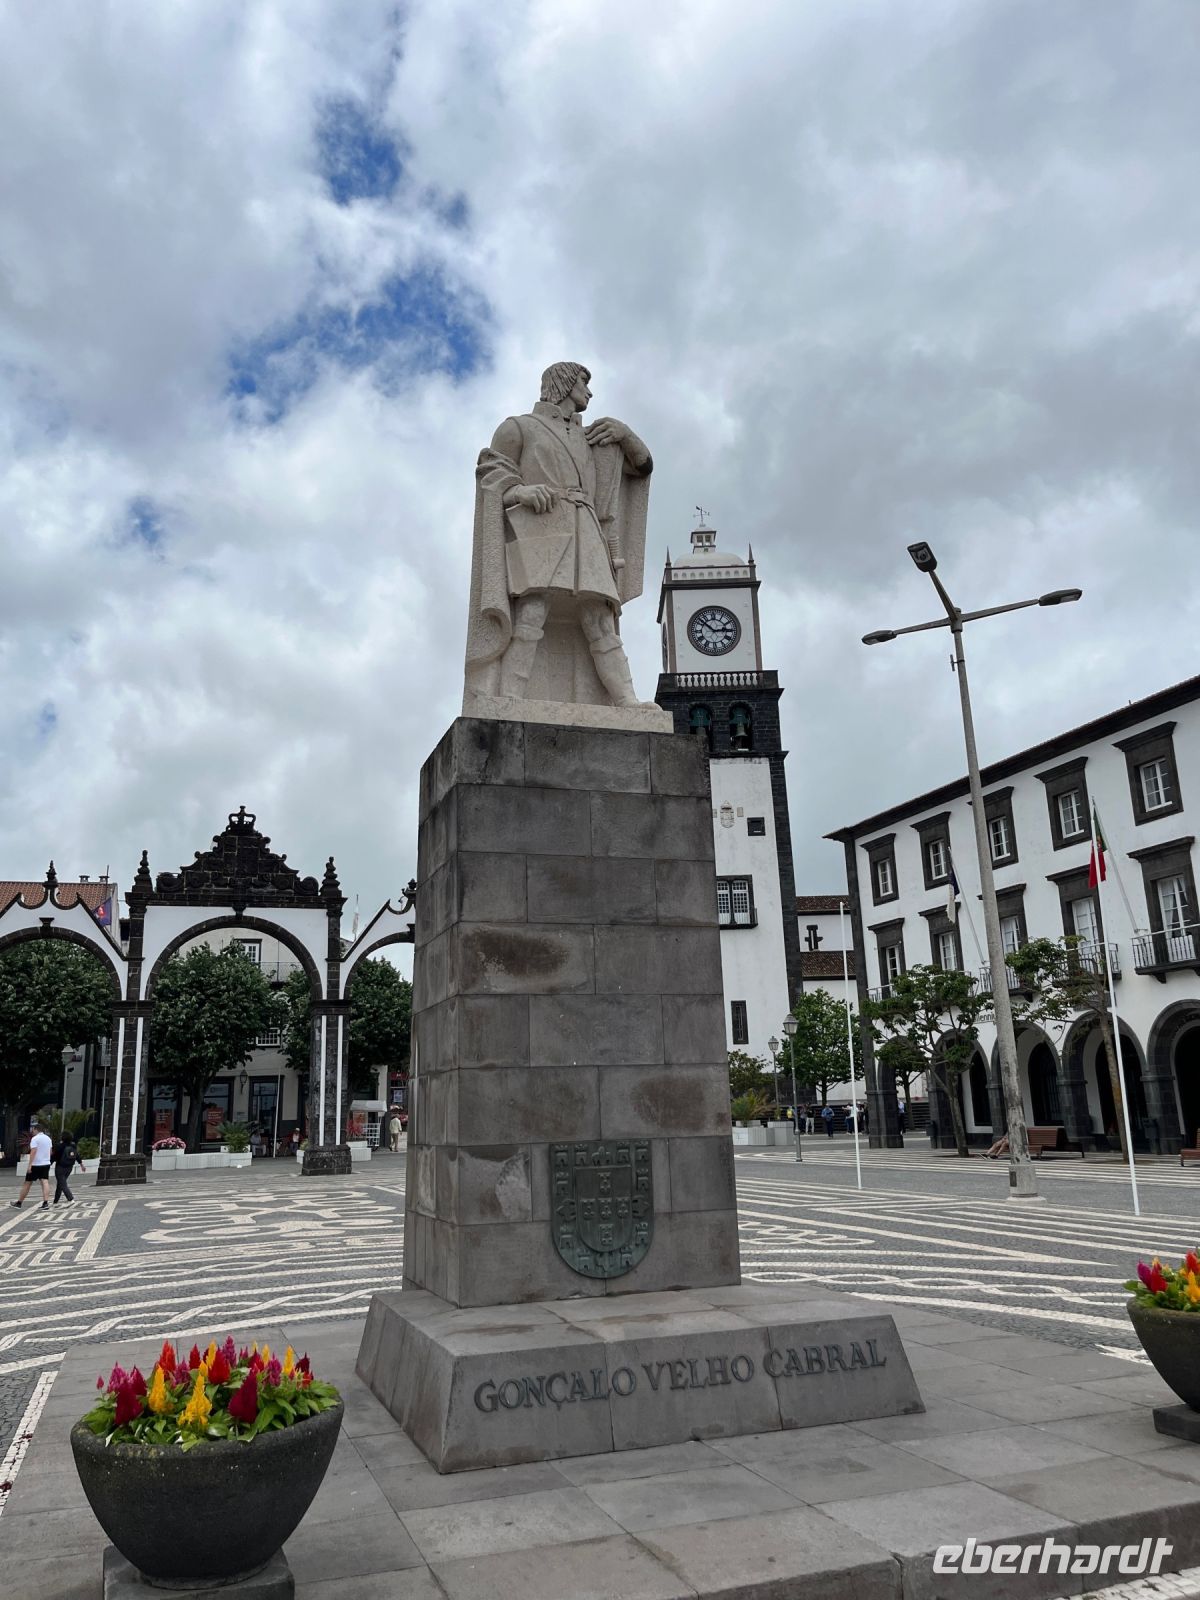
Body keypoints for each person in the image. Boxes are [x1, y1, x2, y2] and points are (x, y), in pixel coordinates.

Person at [463, 362, 655, 710]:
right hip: (542, 527)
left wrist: (625, 434)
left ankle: (626, 700)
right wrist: (520, 491)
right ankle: (509, 699)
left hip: (587, 529)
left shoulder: (593, 439)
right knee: (532, 610)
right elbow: (492, 477)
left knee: (600, 618)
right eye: (584, 383)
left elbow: (642, 466)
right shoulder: (519, 427)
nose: (590, 392)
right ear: (566, 383)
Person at [12, 1123, 53, 1209]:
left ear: (36, 1129)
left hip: (36, 1164)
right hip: (46, 1163)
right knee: (45, 1181)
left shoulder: (35, 1139)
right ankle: (45, 1202)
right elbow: (50, 1151)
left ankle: (19, 1202)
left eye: (33, 1130)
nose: (32, 1131)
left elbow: (33, 1151)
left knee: (27, 1183)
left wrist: (30, 1165)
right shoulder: (48, 1139)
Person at [52, 1133, 86, 1204]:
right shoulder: (73, 1146)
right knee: (60, 1183)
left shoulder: (60, 1146)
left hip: (60, 1167)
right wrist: (81, 1165)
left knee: (62, 1183)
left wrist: (49, 1163)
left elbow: (54, 1156)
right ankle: (56, 1200)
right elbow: (77, 1156)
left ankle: (70, 1198)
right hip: (69, 1167)